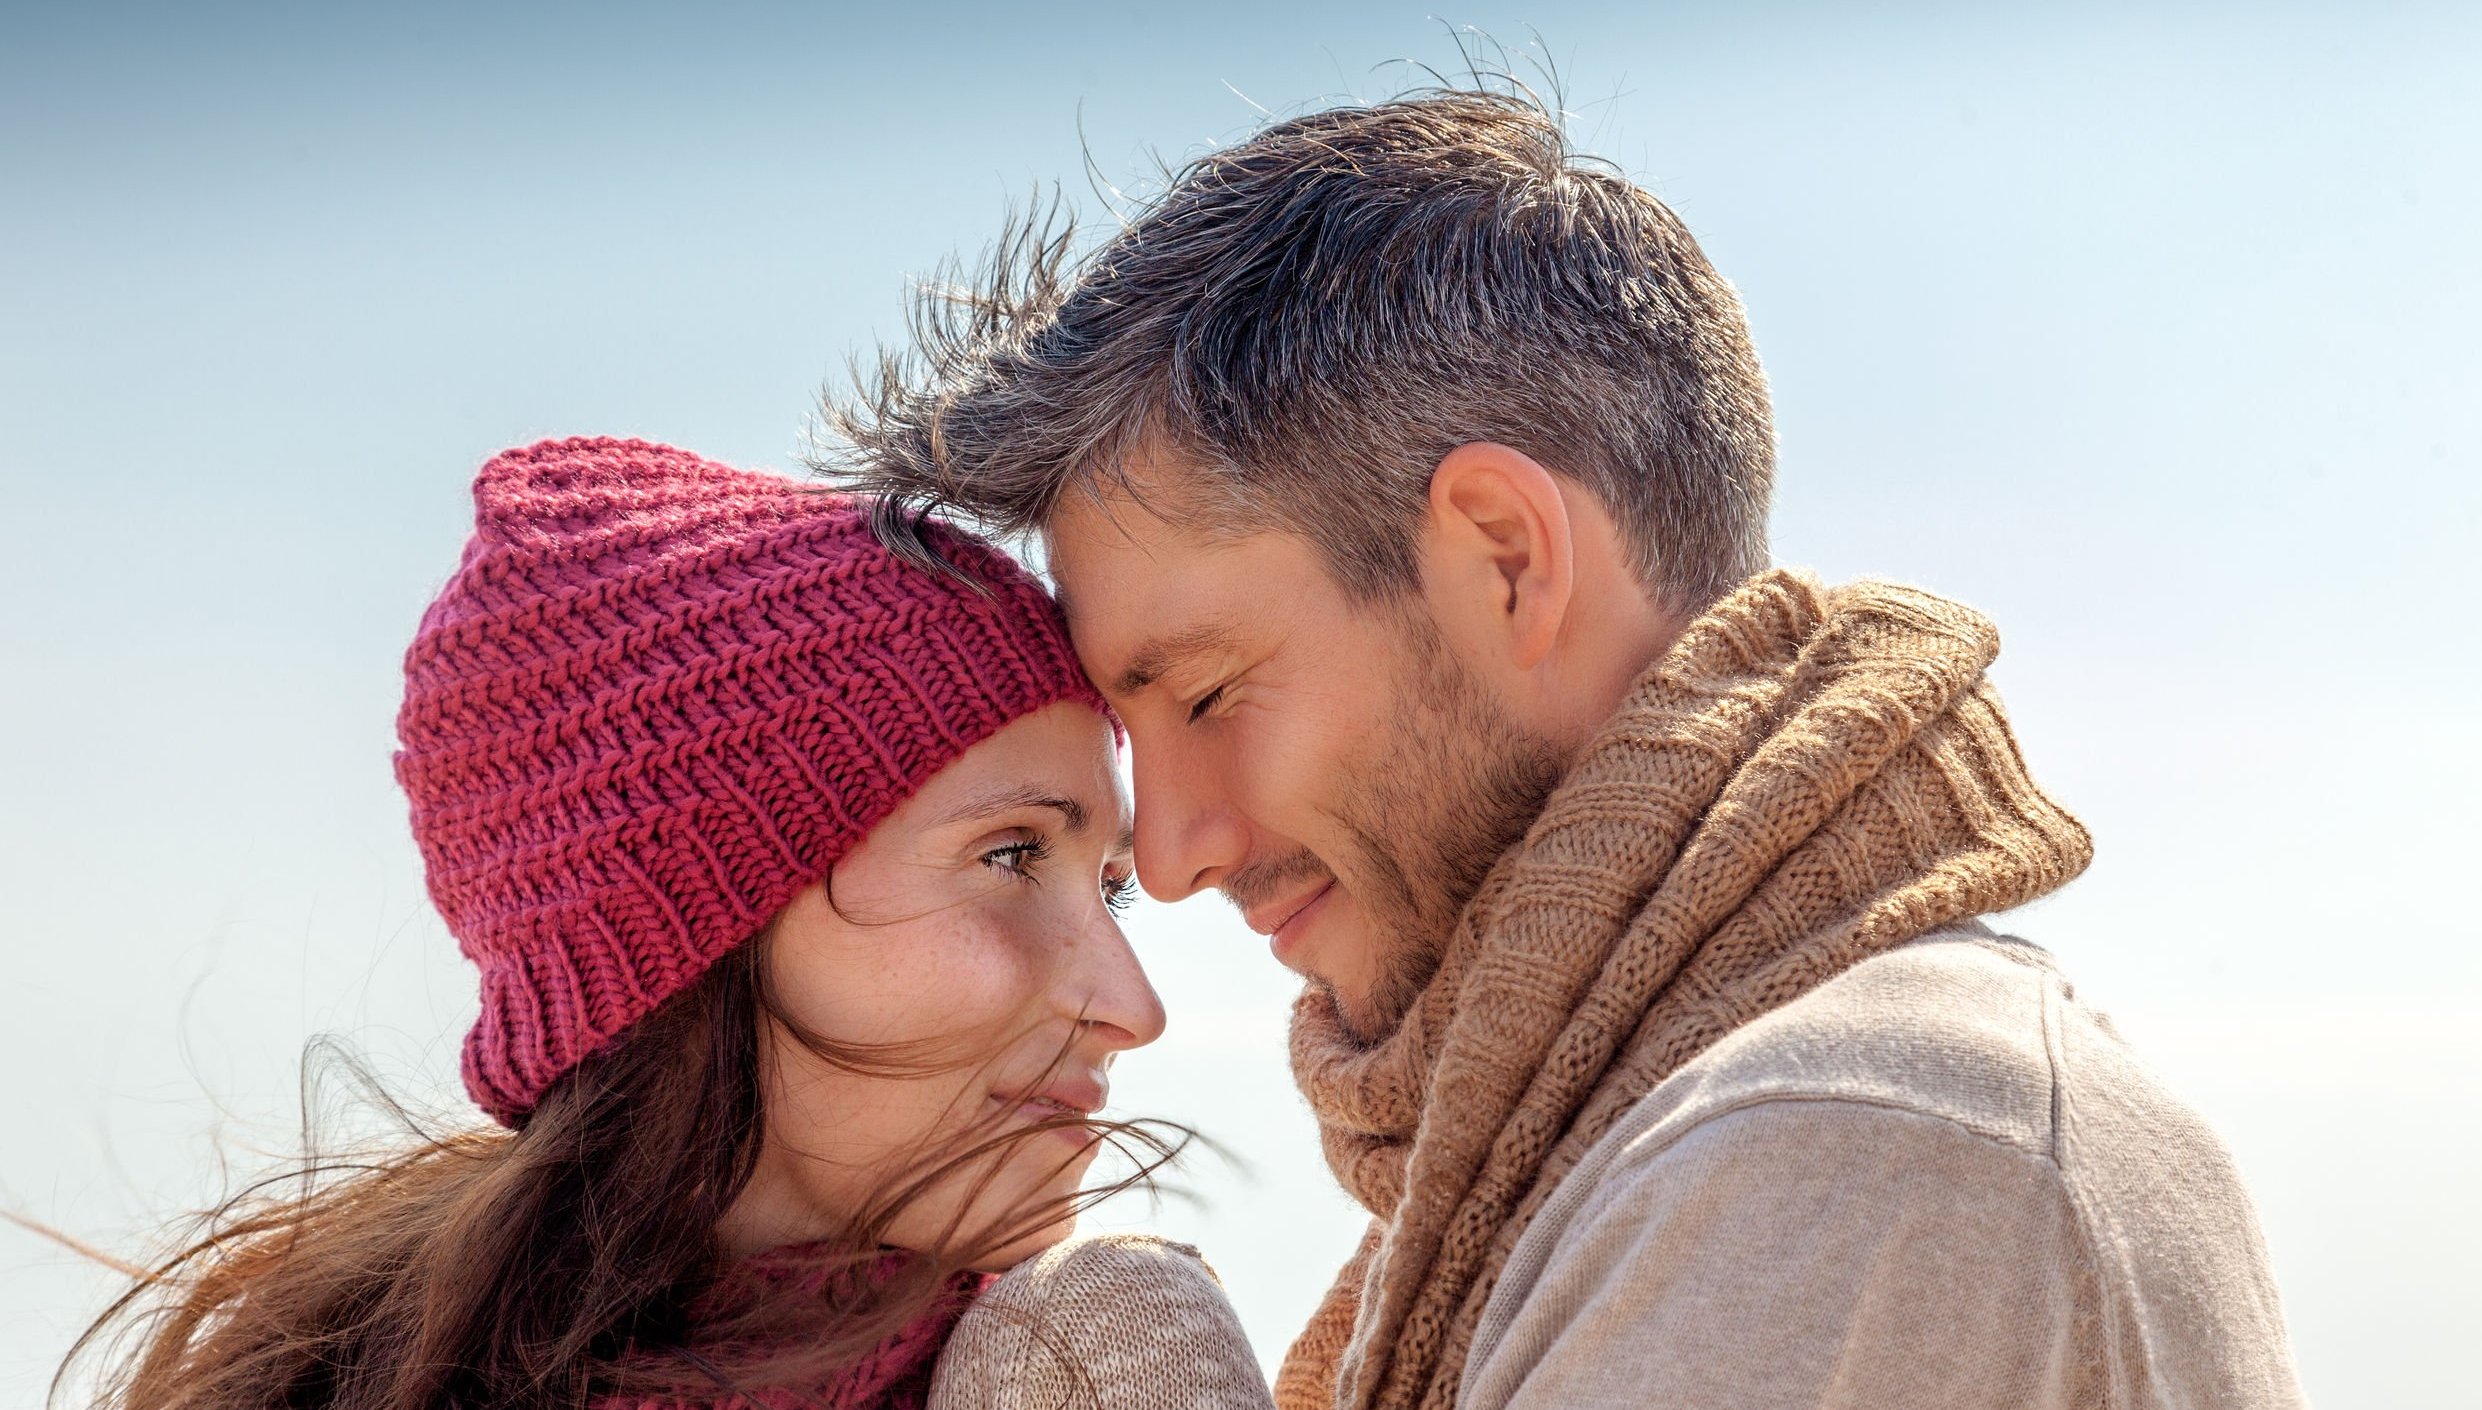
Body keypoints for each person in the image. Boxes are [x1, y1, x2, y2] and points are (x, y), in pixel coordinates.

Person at [820, 90, 2311, 1408]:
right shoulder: (1643, 1139)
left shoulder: (1833, 1158)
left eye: (1205, 694)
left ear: (1508, 561)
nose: (1173, 849)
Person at [58, 436, 1270, 1410]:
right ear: (692, 933)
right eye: (1009, 855)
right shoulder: (1086, 1357)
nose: (1134, 1009)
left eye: (1107, 886)